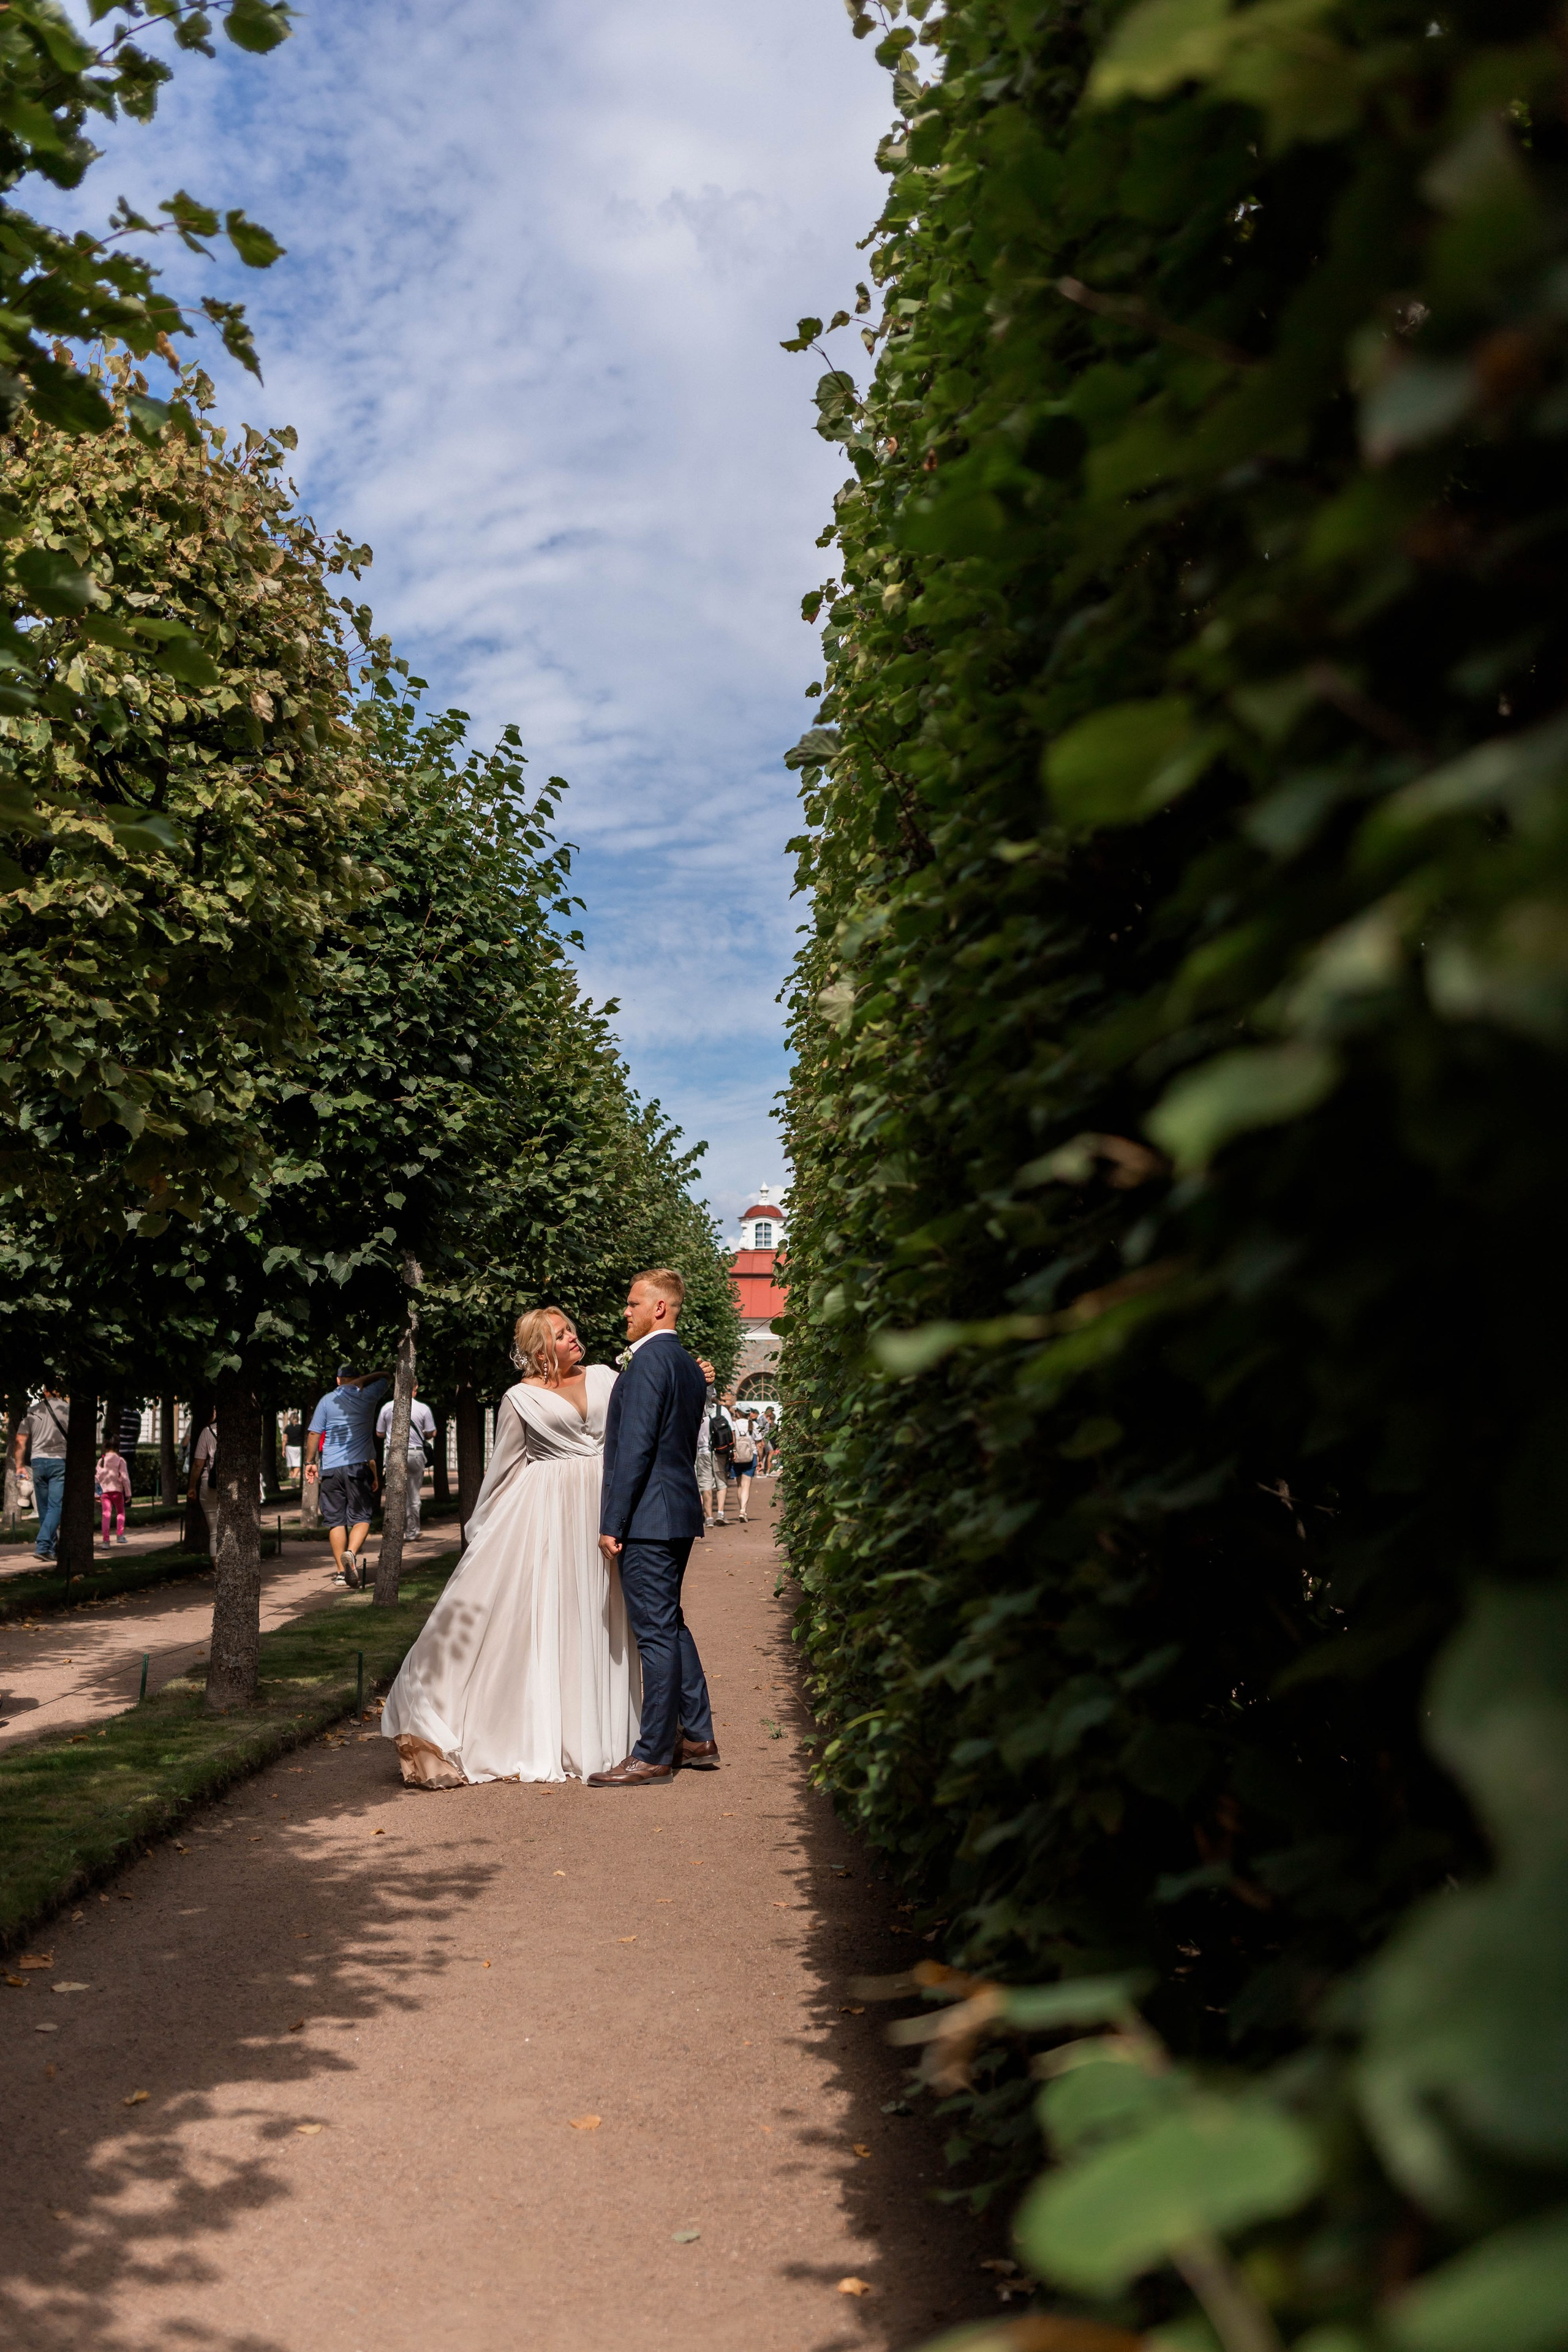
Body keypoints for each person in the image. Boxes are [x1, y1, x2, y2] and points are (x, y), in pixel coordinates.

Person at [382, 1310, 637, 1786]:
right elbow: (504, 1467)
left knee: (604, 1614)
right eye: (562, 1335)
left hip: (604, 1508)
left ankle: (613, 1734)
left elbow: (646, 1413)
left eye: (572, 1329)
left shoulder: (607, 1377)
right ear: (541, 1352)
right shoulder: (518, 1398)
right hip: (551, 1516)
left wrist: (696, 1376)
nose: (574, 1337)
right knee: (557, 1617)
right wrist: (484, 1531)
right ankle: (543, 1732)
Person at [590, 1267, 718, 1787]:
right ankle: (697, 1735)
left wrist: (612, 1521)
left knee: (656, 1635)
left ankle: (653, 1754)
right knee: (672, 1624)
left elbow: (636, 1450)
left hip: (648, 1518)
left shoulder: (646, 1364)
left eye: (633, 1303)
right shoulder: (688, 1365)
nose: (626, 1311)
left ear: (660, 1308)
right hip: (678, 1511)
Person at [303, 1366, 389, 1586]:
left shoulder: (327, 1400)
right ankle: (351, 1553)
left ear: (338, 1379)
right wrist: (363, 1380)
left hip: (331, 1468)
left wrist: (310, 1462)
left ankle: (341, 1573)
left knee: (335, 1520)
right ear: (359, 1378)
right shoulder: (369, 1395)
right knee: (361, 1518)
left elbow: (314, 1433)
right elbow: (387, 1377)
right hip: (359, 1467)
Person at [13, 1387, 69, 1561]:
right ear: (60, 1391)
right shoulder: (67, 1410)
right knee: (56, 1507)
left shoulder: (33, 1411)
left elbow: (21, 1440)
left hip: (37, 1462)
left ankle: (48, 1550)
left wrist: (20, 1466)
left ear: (44, 1391)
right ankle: (44, 1543)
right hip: (59, 1461)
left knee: (44, 1509)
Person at [375, 1384, 436, 1540]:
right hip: (415, 1454)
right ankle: (412, 1532)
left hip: (394, 1454)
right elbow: (431, 1432)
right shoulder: (423, 1408)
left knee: (394, 1494)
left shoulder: (387, 1407)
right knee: (414, 1496)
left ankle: (393, 1532)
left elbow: (380, 1433)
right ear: (415, 1387)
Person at [187, 1414, 219, 1550]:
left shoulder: (208, 1431)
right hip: (235, 1486)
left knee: (214, 1533)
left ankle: (219, 1571)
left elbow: (198, 1464)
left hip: (211, 1482)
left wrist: (192, 1487)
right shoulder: (242, 1432)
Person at [96, 1440, 131, 1546]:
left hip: (105, 1492)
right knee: (120, 1513)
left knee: (106, 1515)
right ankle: (120, 1535)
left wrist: (96, 1494)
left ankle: (105, 1541)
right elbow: (125, 1478)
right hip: (117, 1491)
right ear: (117, 1447)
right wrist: (128, 1492)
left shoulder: (101, 1460)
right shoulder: (120, 1460)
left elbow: (96, 1478)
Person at [708, 1390, 735, 1526]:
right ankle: (720, 1513)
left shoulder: (697, 1408)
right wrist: (733, 1449)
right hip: (720, 1451)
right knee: (721, 1482)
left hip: (701, 1452)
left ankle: (707, 1517)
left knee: (704, 1484)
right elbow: (731, 1431)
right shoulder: (722, 1410)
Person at [731, 1411, 757, 1522]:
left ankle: (741, 1509)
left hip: (737, 1456)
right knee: (746, 1485)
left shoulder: (733, 1424)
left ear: (737, 1413)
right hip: (751, 1456)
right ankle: (743, 1510)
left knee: (740, 1485)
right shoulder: (753, 1425)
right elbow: (760, 1443)